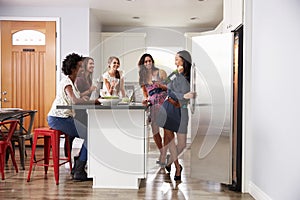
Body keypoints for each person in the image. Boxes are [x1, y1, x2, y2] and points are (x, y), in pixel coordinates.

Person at [47, 53, 100, 181]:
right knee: (91, 135)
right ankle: (79, 169)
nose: (82, 69)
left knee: (90, 133)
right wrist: (93, 102)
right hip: (59, 119)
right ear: (72, 68)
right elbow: (75, 101)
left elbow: (76, 100)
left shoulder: (72, 82)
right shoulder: (67, 83)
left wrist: (85, 99)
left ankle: (78, 164)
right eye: (80, 66)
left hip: (65, 117)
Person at [157, 50, 195, 181]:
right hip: (169, 109)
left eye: (177, 59)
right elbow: (168, 89)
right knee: (170, 139)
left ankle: (169, 160)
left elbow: (193, 93)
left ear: (184, 60)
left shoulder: (192, 76)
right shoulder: (173, 75)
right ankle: (177, 168)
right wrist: (183, 96)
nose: (175, 62)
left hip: (182, 110)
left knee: (182, 144)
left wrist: (186, 98)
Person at [138, 53, 168, 167]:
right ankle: (163, 153)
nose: (148, 63)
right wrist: (145, 100)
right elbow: (146, 94)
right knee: (155, 131)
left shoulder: (161, 72)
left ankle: (163, 155)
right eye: (145, 62)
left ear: (152, 61)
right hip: (153, 105)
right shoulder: (143, 78)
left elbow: (170, 88)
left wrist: (161, 85)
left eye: (149, 61)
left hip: (163, 103)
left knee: (166, 130)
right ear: (142, 64)